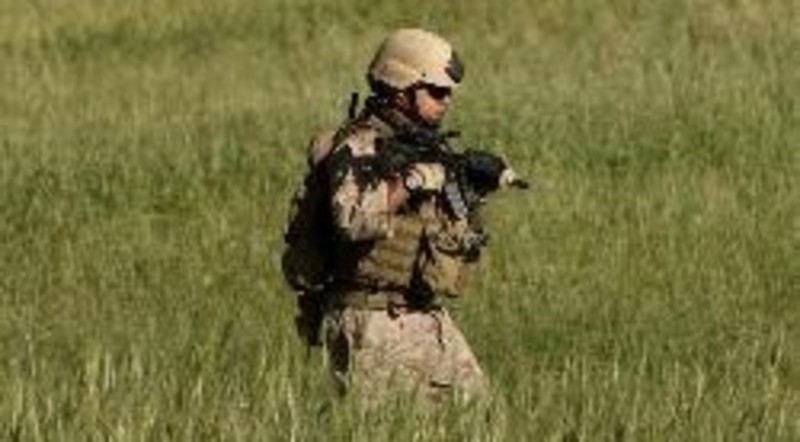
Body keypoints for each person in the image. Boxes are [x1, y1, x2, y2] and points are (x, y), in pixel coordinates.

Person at [291, 28, 524, 404]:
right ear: (401, 89)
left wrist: (471, 187)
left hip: (424, 315)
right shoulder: (359, 145)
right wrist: (412, 181)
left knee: (479, 415)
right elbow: (352, 218)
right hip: (372, 319)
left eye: (448, 93)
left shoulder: (422, 147)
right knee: (384, 425)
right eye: (436, 92)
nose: (446, 101)